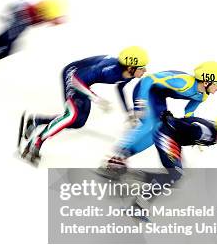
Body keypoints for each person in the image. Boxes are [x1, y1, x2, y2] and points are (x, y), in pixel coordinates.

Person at [19, 46, 149, 166]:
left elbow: (120, 87)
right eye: (142, 67)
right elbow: (75, 81)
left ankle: (37, 120)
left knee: (78, 122)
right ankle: (36, 142)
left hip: (84, 81)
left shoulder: (128, 74)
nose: (145, 70)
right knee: (72, 115)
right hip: (73, 76)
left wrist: (128, 112)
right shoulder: (108, 70)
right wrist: (96, 98)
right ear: (131, 67)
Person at [104, 61, 217, 173]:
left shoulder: (203, 96)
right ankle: (116, 154)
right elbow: (148, 79)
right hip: (145, 90)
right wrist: (141, 101)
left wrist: (193, 132)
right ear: (206, 81)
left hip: (158, 97)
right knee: (148, 124)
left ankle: (122, 157)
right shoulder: (183, 82)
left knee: (158, 131)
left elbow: (189, 113)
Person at [129, 111, 217, 220]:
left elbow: (191, 122)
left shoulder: (216, 131)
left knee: (175, 180)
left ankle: (136, 176)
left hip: (173, 138)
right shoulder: (204, 132)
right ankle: (137, 206)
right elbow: (183, 125)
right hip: (165, 135)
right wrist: (169, 118)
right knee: (175, 175)